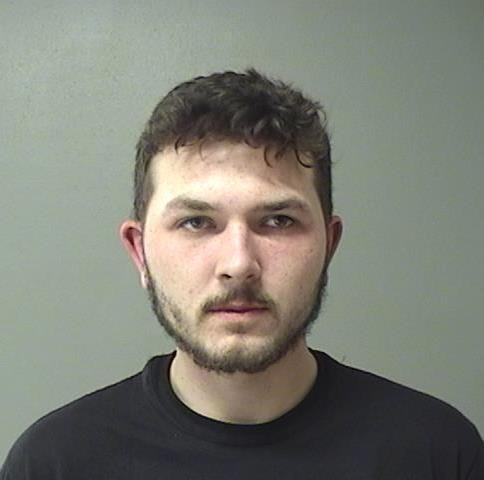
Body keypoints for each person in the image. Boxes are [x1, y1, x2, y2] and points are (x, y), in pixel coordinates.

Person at [1, 69, 482, 479]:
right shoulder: (53, 465)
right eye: (196, 222)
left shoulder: (439, 454)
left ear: (329, 245)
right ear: (139, 251)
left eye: (278, 221)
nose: (238, 264)